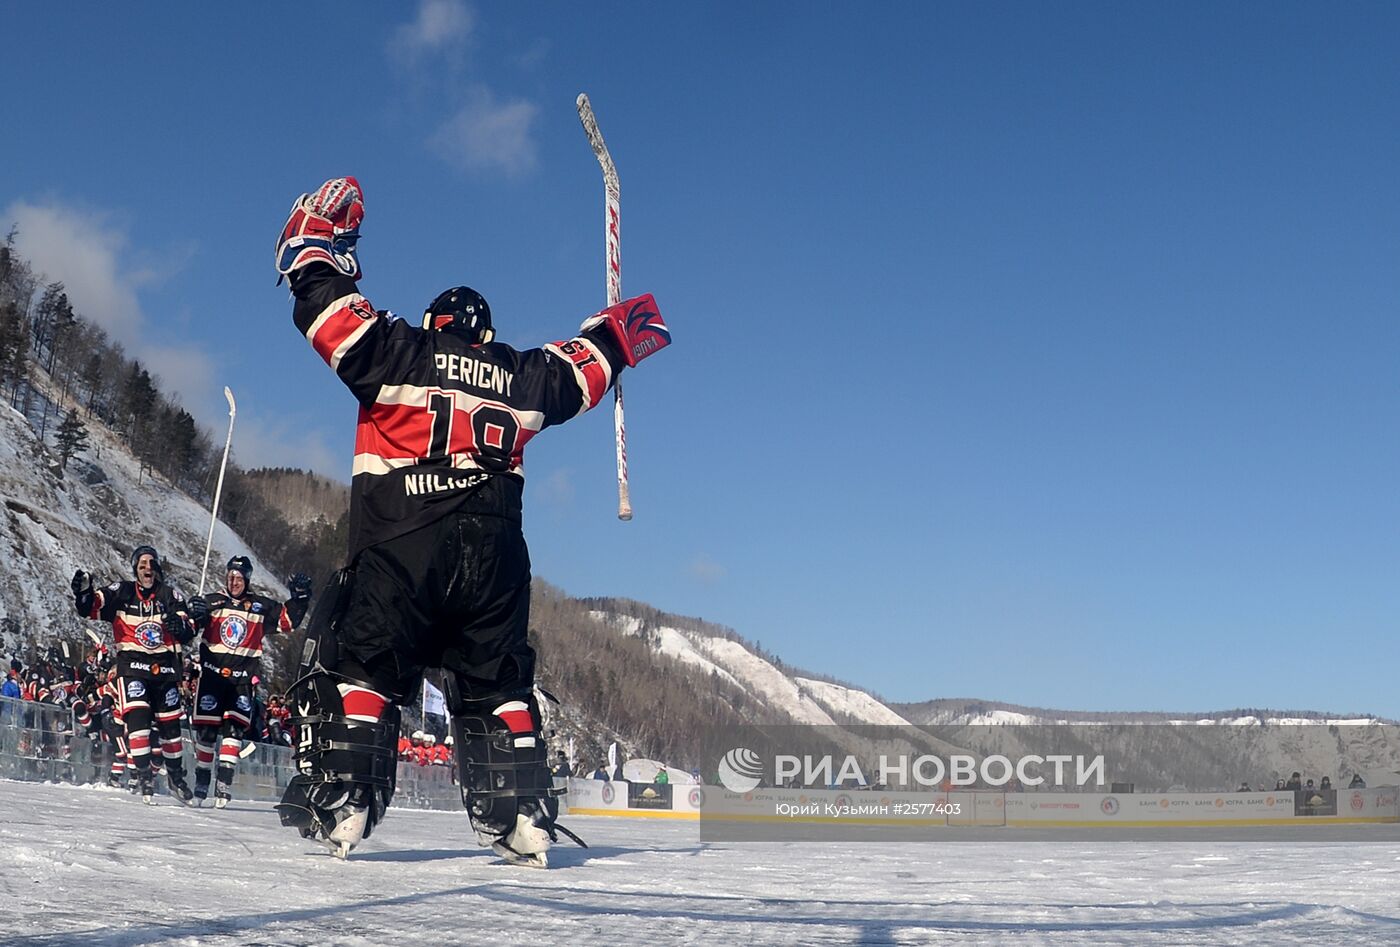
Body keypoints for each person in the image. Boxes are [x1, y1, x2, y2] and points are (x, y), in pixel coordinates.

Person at [272, 177, 671, 864]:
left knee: (363, 660)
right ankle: (523, 816)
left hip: (404, 538)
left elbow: (331, 321)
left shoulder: (402, 349)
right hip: (494, 556)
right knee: (497, 681)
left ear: (436, 325)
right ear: (486, 333)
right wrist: (618, 332)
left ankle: (350, 800)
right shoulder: (519, 374)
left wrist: (312, 251)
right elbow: (582, 373)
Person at [71, 546, 196, 803]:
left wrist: (181, 626)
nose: (147, 568)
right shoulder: (123, 591)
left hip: (165, 670)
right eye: (141, 564)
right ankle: (143, 776)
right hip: (133, 668)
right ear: (135, 569)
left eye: (151, 563)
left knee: (170, 727)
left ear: (157, 568)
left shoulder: (170, 595)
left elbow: (189, 628)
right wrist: (83, 593)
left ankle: (176, 776)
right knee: (138, 719)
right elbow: (91, 607)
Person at [185, 557, 310, 807]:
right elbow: (187, 628)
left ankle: (224, 782)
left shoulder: (259, 606)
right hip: (212, 678)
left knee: (234, 731)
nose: (234, 582)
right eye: (231, 577)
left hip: (241, 681)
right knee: (207, 734)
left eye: (239, 578)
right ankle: (201, 781)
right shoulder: (212, 602)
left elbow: (288, 621)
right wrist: (192, 612)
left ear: (247, 579)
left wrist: (300, 598)